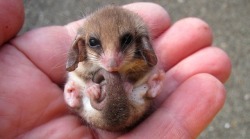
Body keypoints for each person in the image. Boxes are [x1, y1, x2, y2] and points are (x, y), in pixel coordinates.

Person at [0, 1, 231, 139]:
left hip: (130, 104)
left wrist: (132, 83)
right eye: (94, 44)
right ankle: (82, 95)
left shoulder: (141, 53)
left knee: (143, 83)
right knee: (80, 80)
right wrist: (86, 86)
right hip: (97, 108)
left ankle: (137, 91)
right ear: (82, 44)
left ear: (140, 41)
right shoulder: (82, 56)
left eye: (126, 41)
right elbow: (78, 71)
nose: (111, 63)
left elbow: (148, 65)